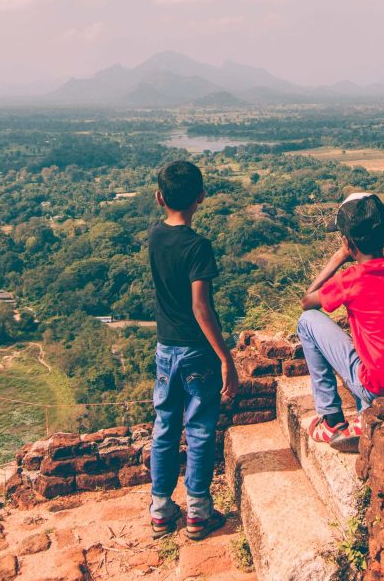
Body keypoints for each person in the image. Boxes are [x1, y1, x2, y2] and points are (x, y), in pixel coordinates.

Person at [297, 192, 384, 449]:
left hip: (377, 385)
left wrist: (338, 258)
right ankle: (366, 414)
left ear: (349, 244)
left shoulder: (350, 279)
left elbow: (307, 301)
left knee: (307, 321)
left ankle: (331, 420)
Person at [147, 160, 239, 541]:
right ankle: (199, 513)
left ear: (159, 197)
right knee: (199, 430)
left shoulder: (154, 236)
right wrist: (226, 358)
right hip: (197, 353)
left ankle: (161, 510)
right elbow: (201, 308)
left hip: (165, 349)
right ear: (201, 197)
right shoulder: (198, 246)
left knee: (165, 428)